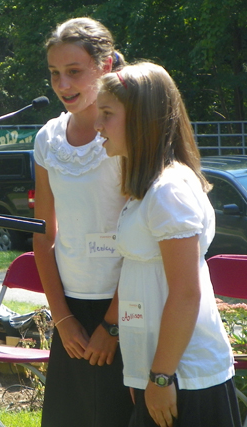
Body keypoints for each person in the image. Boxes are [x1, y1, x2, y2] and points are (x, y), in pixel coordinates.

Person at [95, 62, 241, 427]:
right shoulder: (147, 190)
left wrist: (161, 377)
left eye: (108, 114)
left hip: (185, 376)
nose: (98, 125)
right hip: (160, 372)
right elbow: (137, 271)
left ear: (142, 119)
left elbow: (186, 293)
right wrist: (142, 369)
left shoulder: (168, 190)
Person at [33, 17, 133, 427]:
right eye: (55, 73)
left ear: (105, 65)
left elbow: (142, 238)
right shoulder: (47, 139)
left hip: (129, 305)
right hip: (71, 309)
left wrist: (111, 325)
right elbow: (42, 236)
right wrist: (63, 318)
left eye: (74, 72)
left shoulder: (127, 135)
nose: (62, 84)